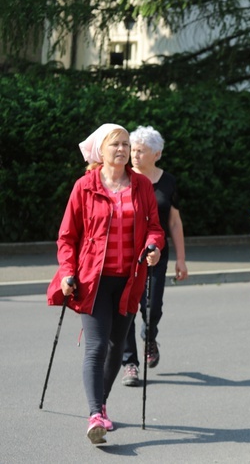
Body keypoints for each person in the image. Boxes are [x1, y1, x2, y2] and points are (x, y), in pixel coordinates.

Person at [46, 123, 164, 444]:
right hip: (92, 281)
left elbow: (155, 226)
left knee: (116, 347)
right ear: (101, 149)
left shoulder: (141, 186)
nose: (123, 150)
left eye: (126, 144)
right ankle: (95, 413)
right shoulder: (84, 187)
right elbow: (67, 237)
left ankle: (102, 403)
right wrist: (68, 271)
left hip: (130, 280)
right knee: (97, 346)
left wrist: (153, 247)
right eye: (116, 145)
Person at [121, 126, 188, 387]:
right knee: (125, 307)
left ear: (156, 154)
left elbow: (174, 222)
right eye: (133, 150)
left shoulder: (168, 181)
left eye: (141, 151)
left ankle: (149, 337)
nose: (134, 155)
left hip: (156, 254)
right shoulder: (124, 178)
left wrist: (181, 259)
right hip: (126, 252)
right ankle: (129, 363)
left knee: (152, 307)